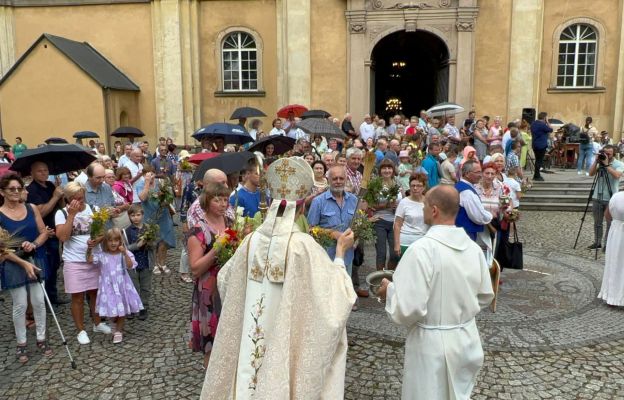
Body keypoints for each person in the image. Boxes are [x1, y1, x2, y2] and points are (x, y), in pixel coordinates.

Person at [200, 157, 356, 399]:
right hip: (285, 337)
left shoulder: (251, 241)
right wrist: (339, 254)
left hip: (250, 336)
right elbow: (335, 298)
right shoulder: (303, 246)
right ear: (302, 207)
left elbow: (225, 279)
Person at [377, 185, 495, 400]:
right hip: (466, 339)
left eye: (424, 206)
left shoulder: (421, 250)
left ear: (433, 210)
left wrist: (389, 291)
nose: (422, 210)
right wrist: (460, 311)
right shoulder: (473, 249)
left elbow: (408, 309)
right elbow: (485, 295)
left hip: (431, 346)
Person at [0, 174, 52, 363]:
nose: (15, 192)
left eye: (19, 188)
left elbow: (44, 233)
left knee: (39, 301)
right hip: (14, 263)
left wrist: (34, 244)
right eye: (11, 189)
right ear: (2, 192)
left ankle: (41, 338)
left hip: (35, 257)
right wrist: (22, 262)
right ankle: (21, 343)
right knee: (20, 305)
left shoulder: (31, 208)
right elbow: (1, 250)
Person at [55, 182, 113, 344]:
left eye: (82, 197)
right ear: (68, 199)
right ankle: (80, 330)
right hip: (74, 261)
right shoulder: (61, 213)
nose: (80, 201)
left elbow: (102, 232)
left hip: (93, 258)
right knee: (77, 296)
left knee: (95, 293)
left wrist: (97, 240)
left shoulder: (92, 209)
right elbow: (63, 237)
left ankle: (97, 322)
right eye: (76, 199)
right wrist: (71, 215)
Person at [187, 182, 231, 368]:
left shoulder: (230, 223)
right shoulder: (198, 229)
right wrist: (217, 248)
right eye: (217, 200)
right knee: (211, 339)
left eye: (225, 199)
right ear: (206, 201)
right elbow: (195, 269)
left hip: (229, 286)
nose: (223, 204)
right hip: (209, 291)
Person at [88, 228, 143, 344]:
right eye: (110, 241)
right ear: (106, 242)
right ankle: (114, 323)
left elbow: (130, 265)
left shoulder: (124, 253)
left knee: (121, 307)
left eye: (116, 240)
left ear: (120, 241)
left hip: (122, 285)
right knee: (111, 307)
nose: (113, 243)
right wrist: (90, 248)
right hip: (108, 286)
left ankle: (118, 330)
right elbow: (89, 260)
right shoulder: (102, 255)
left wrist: (124, 253)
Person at [26, 161, 67, 306]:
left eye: (45, 170)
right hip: (44, 233)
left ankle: (53, 296)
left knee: (55, 265)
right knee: (46, 266)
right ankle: (45, 301)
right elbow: (41, 212)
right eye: (39, 171)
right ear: (32, 173)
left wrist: (60, 195)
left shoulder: (50, 185)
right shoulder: (31, 190)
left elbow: (61, 207)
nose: (44, 173)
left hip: (56, 231)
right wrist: (55, 197)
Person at [138, 167, 176, 274]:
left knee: (164, 241)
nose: (151, 177)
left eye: (152, 174)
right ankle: (154, 264)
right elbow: (142, 198)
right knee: (152, 242)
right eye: (148, 175)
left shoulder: (161, 184)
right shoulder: (141, 185)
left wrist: (165, 199)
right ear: (144, 176)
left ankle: (162, 263)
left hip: (163, 216)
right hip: (150, 217)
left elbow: (170, 198)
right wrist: (146, 183)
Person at [588, 144, 624, 249]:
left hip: (611, 197)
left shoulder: (619, 164)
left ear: (614, 154)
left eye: (609, 153)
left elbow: (617, 175)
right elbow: (590, 174)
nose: (607, 155)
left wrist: (607, 165)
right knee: (597, 222)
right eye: (605, 153)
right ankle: (597, 242)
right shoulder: (600, 162)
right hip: (597, 196)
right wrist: (596, 161)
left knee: (610, 223)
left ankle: (607, 244)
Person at [124, 204, 155, 320]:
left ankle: (143, 307)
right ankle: (133, 307)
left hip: (146, 262)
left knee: (145, 287)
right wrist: (138, 245)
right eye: (133, 215)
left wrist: (149, 243)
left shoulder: (148, 229)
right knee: (133, 286)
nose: (136, 218)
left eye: (138, 215)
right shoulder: (127, 231)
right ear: (129, 216)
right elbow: (125, 248)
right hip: (132, 263)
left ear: (142, 215)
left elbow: (154, 245)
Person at [371, 159, 402, 271]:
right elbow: (371, 205)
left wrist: (398, 207)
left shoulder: (398, 183)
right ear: (380, 170)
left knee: (395, 254)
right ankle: (379, 280)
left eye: (389, 168)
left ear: (393, 170)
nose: (387, 170)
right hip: (379, 221)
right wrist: (386, 205)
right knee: (381, 253)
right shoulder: (375, 184)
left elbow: (403, 201)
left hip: (395, 222)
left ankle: (388, 277)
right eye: (384, 168)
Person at [455, 160, 493, 241]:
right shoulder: (467, 192)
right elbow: (478, 216)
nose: (480, 175)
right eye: (477, 172)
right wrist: (490, 215)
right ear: (467, 174)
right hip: (466, 233)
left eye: (480, 172)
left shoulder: (460, 186)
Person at [598, 191, 624, 306]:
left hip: (615, 233)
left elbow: (607, 215)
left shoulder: (616, 196)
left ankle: (611, 295)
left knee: (614, 263)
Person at [393, 173, 428, 257]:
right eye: (413, 185)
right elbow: (397, 224)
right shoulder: (404, 202)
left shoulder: (429, 201)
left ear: (424, 187)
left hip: (423, 242)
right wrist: (397, 244)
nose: (415, 188)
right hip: (406, 242)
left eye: (419, 186)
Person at [530, 111, 552, 181]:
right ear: (545, 118)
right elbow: (551, 129)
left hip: (534, 144)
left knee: (537, 160)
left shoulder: (533, 123)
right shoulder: (542, 125)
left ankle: (536, 175)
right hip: (541, 145)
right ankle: (537, 175)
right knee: (539, 160)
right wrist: (547, 122)